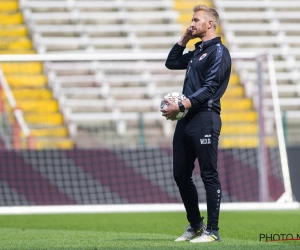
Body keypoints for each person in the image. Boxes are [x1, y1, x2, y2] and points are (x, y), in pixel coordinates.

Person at [160, 5, 231, 243]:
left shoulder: (218, 51)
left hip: (205, 118)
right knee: (180, 174)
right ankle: (196, 225)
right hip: (186, 120)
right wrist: (184, 38)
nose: (192, 23)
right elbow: (171, 63)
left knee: (208, 174)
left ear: (210, 23)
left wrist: (181, 106)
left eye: (196, 19)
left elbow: (210, 88)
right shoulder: (196, 51)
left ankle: (213, 231)